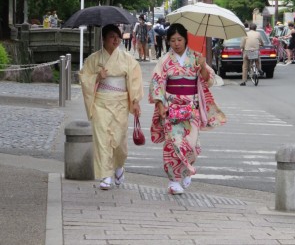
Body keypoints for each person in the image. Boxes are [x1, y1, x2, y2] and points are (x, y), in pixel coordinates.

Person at [149, 23, 226, 195]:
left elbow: (208, 80)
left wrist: (203, 66)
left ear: (186, 39)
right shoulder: (165, 60)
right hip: (170, 106)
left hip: (191, 106)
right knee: (173, 143)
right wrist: (160, 104)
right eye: (173, 40)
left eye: (179, 39)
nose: (176, 43)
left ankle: (186, 169)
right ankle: (173, 180)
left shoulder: (196, 57)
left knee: (191, 144)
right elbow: (157, 82)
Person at [80, 24, 144, 190]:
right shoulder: (94, 59)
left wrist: (135, 101)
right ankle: (105, 175)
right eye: (111, 36)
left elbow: (134, 80)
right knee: (102, 139)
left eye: (118, 36)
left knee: (119, 140)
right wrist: (96, 77)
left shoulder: (127, 59)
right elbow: (84, 77)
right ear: (103, 39)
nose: (116, 40)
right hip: (101, 101)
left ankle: (118, 166)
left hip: (120, 102)